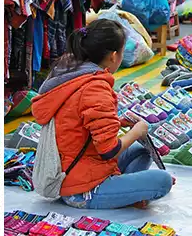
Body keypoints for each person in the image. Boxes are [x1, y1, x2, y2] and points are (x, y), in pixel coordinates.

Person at [31, 19, 173, 209]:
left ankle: (125, 192)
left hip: (74, 170)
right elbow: (108, 150)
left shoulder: (71, 75)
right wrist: (138, 131)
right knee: (162, 181)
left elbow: (78, 123)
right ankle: (122, 194)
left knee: (142, 152)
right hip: (82, 189)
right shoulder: (95, 88)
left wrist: (119, 122)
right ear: (114, 56)